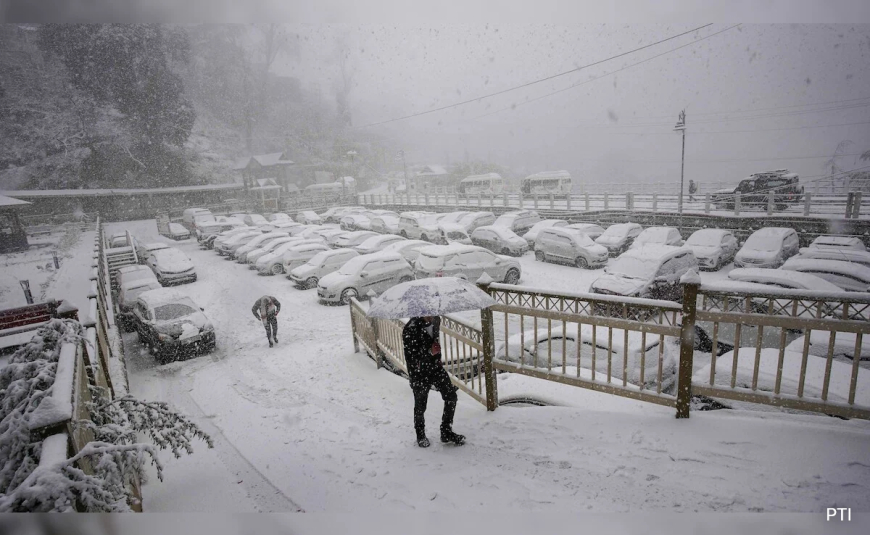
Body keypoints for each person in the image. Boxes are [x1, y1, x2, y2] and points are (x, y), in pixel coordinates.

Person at [402, 315, 465, 448]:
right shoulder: (410, 328)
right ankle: (420, 435)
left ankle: (446, 432)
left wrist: (436, 355)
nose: (431, 315)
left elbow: (433, 340)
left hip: (435, 368)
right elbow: (411, 357)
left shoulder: (436, 319)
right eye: (427, 313)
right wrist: (429, 352)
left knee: (451, 397)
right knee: (420, 405)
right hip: (419, 372)